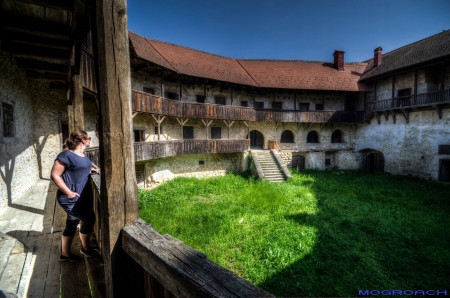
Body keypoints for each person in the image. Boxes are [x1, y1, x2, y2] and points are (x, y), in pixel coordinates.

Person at [50, 130, 99, 262]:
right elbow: (55, 175)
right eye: (88, 137)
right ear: (83, 140)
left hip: (80, 197)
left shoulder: (81, 154)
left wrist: (90, 170)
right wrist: (68, 192)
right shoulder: (66, 154)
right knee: (89, 219)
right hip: (70, 198)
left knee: (72, 223)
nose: (90, 139)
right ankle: (85, 248)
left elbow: (78, 169)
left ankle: (65, 255)